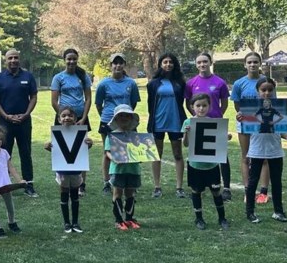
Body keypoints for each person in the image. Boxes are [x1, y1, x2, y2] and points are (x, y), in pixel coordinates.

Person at [239, 78, 287, 224]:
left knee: (276, 182)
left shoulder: (276, 107)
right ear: (258, 91)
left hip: (275, 150)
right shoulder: (254, 108)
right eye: (263, 90)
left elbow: (281, 129)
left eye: (270, 90)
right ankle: (250, 212)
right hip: (256, 150)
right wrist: (241, 118)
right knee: (253, 182)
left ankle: (278, 211)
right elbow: (250, 121)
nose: (267, 93)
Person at [0, 49, 39, 197]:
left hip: (24, 122)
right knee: (3, 153)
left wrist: (26, 114)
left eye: (16, 58)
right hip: (5, 123)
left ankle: (28, 184)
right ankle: (3, 185)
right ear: (5, 61)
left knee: (25, 153)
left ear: (19, 59)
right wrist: (6, 116)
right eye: (10, 58)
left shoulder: (28, 76)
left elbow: (34, 97)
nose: (13, 60)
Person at [185, 52, 233, 200]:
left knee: (221, 156)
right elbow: (188, 103)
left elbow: (224, 103)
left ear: (210, 62)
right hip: (199, 124)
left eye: (205, 62)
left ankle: (226, 188)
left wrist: (216, 116)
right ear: (196, 64)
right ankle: (198, 186)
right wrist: (197, 118)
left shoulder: (219, 82)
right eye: (199, 62)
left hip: (215, 124)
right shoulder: (191, 83)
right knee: (199, 156)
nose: (202, 65)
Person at [95, 53, 142, 196]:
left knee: (129, 150)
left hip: (127, 121)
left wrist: (127, 117)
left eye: (121, 63)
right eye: (115, 63)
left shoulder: (131, 83)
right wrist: (107, 117)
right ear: (111, 65)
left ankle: (129, 180)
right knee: (107, 151)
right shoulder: (103, 83)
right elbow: (98, 104)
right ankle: (107, 182)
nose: (118, 65)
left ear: (124, 65)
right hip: (108, 120)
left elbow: (133, 102)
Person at [182, 93, 229, 230]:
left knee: (216, 191)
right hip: (195, 165)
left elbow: (219, 142)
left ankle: (222, 218)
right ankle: (199, 219)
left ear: (209, 107)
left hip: (211, 165)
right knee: (196, 191)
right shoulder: (188, 122)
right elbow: (185, 144)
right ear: (192, 107)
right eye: (198, 106)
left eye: (204, 105)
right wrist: (186, 133)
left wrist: (226, 137)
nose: (201, 108)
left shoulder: (213, 122)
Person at [44, 106, 93, 233]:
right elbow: (56, 151)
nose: (67, 118)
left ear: (75, 119)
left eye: (70, 116)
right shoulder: (58, 134)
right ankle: (67, 222)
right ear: (59, 119)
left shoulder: (80, 133)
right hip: (62, 171)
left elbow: (81, 152)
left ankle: (75, 222)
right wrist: (48, 146)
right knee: (64, 195)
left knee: (75, 196)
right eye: (64, 115)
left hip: (76, 171)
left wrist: (89, 144)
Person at [50, 48, 92, 196]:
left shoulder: (83, 76)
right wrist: (64, 117)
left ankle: (81, 184)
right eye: (69, 59)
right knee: (63, 148)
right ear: (64, 60)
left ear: (77, 59)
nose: (71, 61)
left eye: (74, 59)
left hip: (80, 118)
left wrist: (83, 118)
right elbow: (54, 101)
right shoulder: (58, 78)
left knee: (82, 149)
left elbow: (88, 98)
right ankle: (63, 180)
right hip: (64, 119)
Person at [231, 52, 271, 204]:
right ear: (245, 64)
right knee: (246, 157)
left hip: (263, 124)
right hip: (245, 125)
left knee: (264, 158)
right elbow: (237, 106)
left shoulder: (267, 82)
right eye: (249, 62)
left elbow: (273, 103)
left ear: (260, 63)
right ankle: (248, 191)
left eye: (255, 62)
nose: (252, 64)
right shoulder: (239, 84)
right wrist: (241, 115)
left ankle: (263, 192)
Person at [146, 53, 187, 199]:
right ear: (160, 64)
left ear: (174, 64)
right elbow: (150, 105)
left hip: (175, 122)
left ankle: (179, 187)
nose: (168, 64)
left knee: (178, 154)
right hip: (158, 123)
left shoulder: (180, 82)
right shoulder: (153, 84)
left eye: (170, 62)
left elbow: (185, 101)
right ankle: (157, 187)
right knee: (157, 155)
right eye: (165, 62)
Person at [104, 105, 143, 230]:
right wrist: (113, 158)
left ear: (131, 119)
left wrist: (142, 155)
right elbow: (107, 152)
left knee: (130, 193)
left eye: (127, 116)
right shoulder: (112, 135)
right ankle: (119, 220)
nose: (124, 118)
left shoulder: (135, 136)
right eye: (121, 116)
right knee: (117, 193)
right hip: (118, 170)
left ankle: (130, 218)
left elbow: (141, 150)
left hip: (133, 169)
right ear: (116, 119)